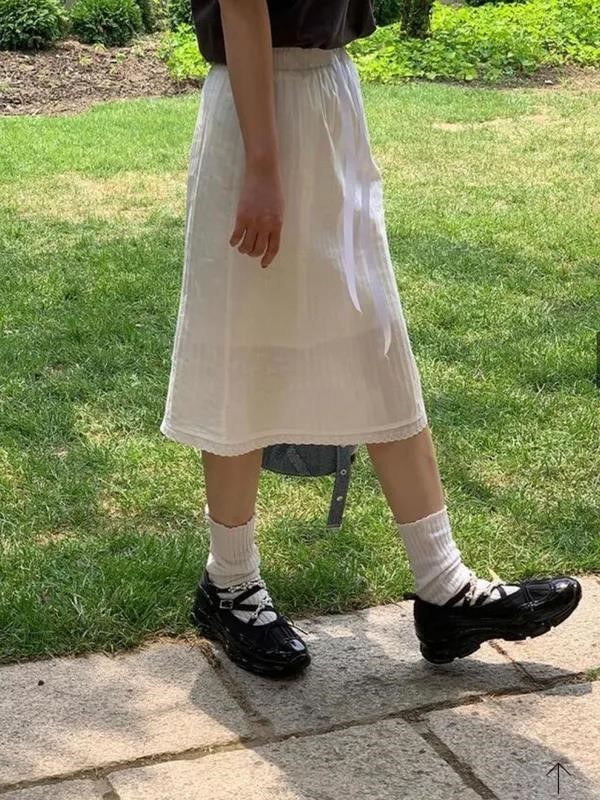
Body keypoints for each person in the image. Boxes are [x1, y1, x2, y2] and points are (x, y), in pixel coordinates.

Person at [159, 0, 582, 679]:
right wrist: (263, 168)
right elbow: (240, 7)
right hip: (256, 112)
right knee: (243, 346)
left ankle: (443, 585)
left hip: (329, 98)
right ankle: (229, 582)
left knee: (374, 340)